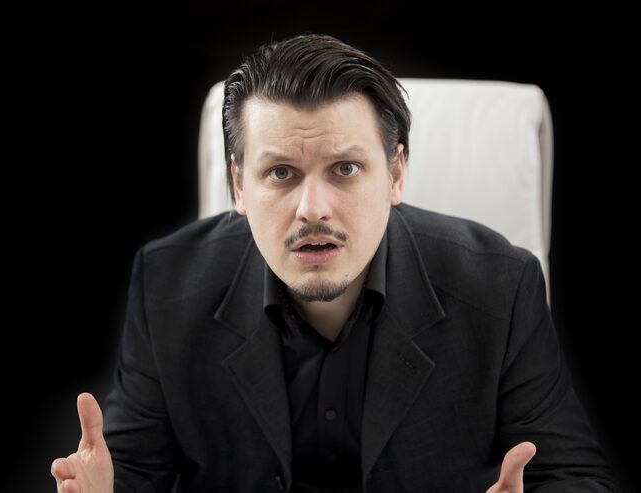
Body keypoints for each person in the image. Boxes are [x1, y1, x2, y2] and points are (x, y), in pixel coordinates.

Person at [51, 34, 618, 493]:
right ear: (238, 186)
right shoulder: (167, 284)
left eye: (345, 169)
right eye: (281, 173)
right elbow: (134, 470)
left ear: (395, 174)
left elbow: (575, 475)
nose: (313, 209)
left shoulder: (501, 284)